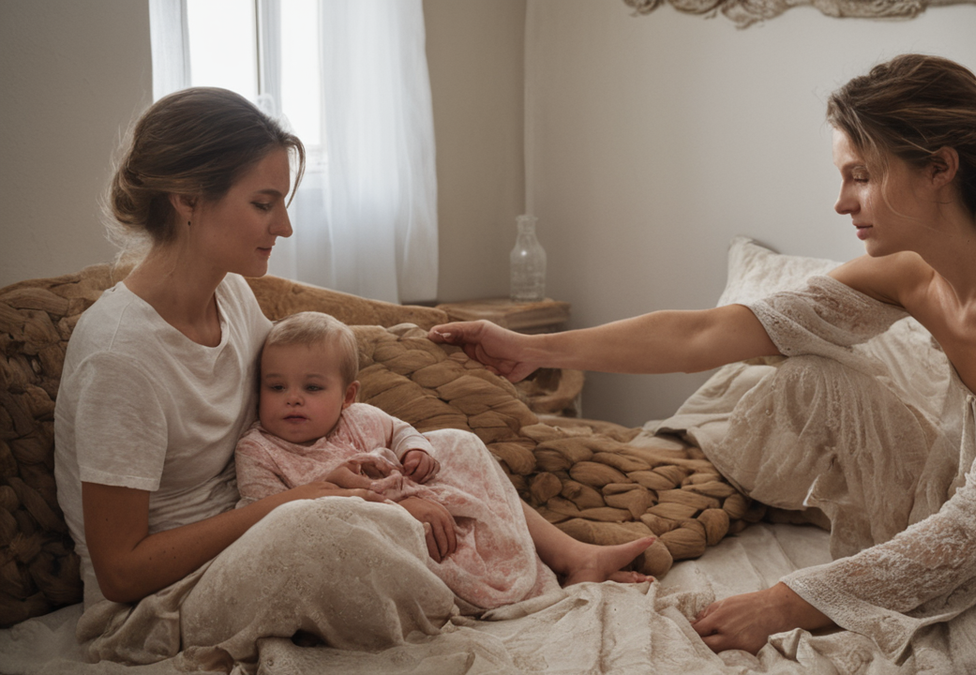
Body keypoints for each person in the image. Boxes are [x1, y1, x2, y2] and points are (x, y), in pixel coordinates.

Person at [429, 54, 976, 673]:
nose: (841, 201)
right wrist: (534, 348)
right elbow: (705, 334)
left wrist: (790, 599)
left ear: (940, 167)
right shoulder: (910, 279)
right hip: (974, 523)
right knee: (809, 373)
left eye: (860, 174)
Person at [53, 87, 652, 663]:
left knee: (447, 446)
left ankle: (569, 556)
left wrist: (395, 459)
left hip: (269, 519)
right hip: (163, 603)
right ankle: (479, 594)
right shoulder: (121, 356)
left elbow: (314, 387)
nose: (283, 227)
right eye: (263, 204)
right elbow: (121, 571)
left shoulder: (229, 297)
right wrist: (305, 503)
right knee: (329, 529)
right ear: (186, 199)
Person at [236, 311, 648, 609]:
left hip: (416, 494)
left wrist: (415, 452)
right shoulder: (259, 449)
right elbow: (270, 519)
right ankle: (469, 583)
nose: (292, 398)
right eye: (276, 386)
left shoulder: (360, 419)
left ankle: (555, 554)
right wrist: (394, 506)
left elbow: (400, 430)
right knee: (356, 529)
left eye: (311, 387)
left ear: (347, 397)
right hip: (352, 526)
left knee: (458, 441)